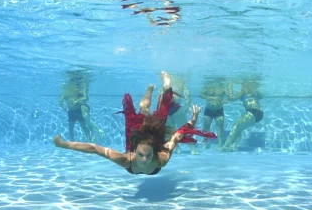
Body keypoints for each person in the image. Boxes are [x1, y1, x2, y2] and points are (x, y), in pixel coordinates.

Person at [53, 71, 217, 175]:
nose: (144, 160)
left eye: (147, 155)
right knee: (155, 111)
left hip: (138, 135)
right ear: (136, 152)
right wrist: (193, 120)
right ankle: (158, 87)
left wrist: (64, 144)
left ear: (154, 152)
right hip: (149, 137)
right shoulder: (156, 158)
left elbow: (177, 137)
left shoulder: (140, 159)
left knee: (142, 110)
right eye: (141, 155)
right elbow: (176, 137)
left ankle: (156, 88)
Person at [158, 75, 197, 154]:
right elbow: (160, 100)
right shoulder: (164, 88)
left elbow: (186, 97)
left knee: (186, 130)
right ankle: (177, 148)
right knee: (170, 131)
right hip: (167, 112)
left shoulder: (179, 86)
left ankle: (192, 148)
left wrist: (188, 99)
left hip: (177, 111)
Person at [222, 79, 264, 152]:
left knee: (236, 127)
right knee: (237, 127)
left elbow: (232, 98)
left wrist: (230, 84)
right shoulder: (246, 92)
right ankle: (234, 146)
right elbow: (231, 98)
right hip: (256, 113)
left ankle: (226, 146)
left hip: (253, 112)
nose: (242, 86)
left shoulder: (246, 90)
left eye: (243, 84)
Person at [200, 77, 232, 149]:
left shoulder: (223, 87)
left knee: (220, 128)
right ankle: (205, 144)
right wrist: (208, 97)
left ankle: (220, 145)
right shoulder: (207, 85)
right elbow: (201, 94)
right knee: (206, 127)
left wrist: (226, 100)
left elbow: (229, 96)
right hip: (209, 108)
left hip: (219, 109)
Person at [59, 71, 91, 141]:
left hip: (77, 111)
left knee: (82, 127)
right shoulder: (67, 91)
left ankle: (89, 139)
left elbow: (85, 98)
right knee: (71, 128)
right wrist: (64, 107)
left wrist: (77, 101)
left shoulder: (75, 90)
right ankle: (72, 141)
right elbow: (60, 102)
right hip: (72, 112)